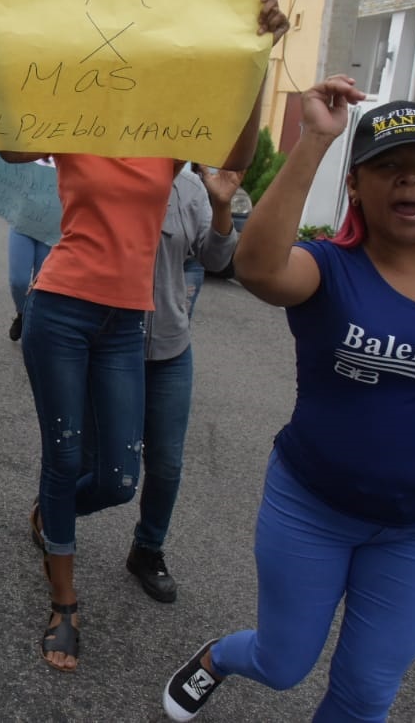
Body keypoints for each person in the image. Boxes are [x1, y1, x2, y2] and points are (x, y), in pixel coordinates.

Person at [0, 0, 288, 671]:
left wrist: (259, 57)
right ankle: (65, 604)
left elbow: (235, 152)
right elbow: (11, 147)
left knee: (117, 478)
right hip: (62, 310)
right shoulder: (80, 120)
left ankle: (54, 516)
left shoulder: (168, 138)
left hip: (126, 325)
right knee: (64, 457)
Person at [162, 85, 415, 721]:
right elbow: (256, 269)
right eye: (390, 167)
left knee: (368, 695)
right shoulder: (330, 267)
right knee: (283, 664)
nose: (411, 181)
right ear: (356, 185)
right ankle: (219, 658)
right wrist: (316, 140)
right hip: (313, 506)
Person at [122, 164, 240, 602]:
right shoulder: (112, 171)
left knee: (167, 463)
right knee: (106, 465)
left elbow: (217, 258)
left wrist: (222, 204)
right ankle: (56, 512)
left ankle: (148, 548)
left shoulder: (191, 188)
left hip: (171, 347)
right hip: (111, 343)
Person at [1, 157, 60, 341]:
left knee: (41, 285)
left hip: (51, 227)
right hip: (22, 221)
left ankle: (34, 324)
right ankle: (22, 313)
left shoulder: (65, 150)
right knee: (18, 281)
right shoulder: (26, 147)